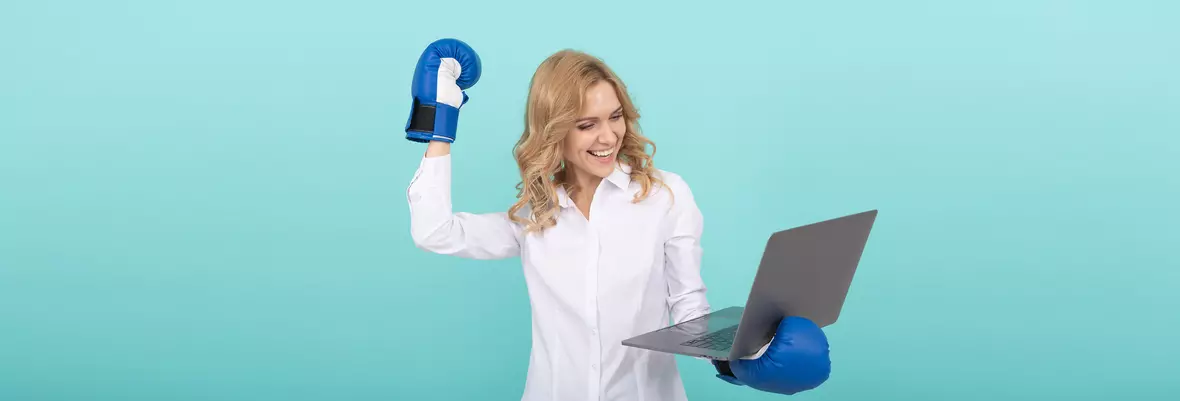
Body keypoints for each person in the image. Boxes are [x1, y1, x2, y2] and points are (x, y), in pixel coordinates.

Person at [402, 38, 832, 401]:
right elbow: (435, 232)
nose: (608, 137)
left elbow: (688, 310)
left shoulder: (665, 195)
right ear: (554, 131)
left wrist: (743, 354)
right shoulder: (534, 216)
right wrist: (440, 125)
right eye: (586, 124)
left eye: (615, 116)